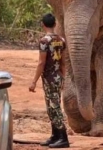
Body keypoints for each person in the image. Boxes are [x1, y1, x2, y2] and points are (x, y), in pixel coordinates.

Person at [29, 13, 69, 148]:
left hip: (49, 78)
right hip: (58, 77)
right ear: (55, 24)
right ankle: (55, 135)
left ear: (43, 24)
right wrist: (63, 78)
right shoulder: (61, 40)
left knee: (54, 107)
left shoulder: (44, 41)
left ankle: (63, 137)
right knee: (51, 106)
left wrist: (34, 81)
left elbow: (41, 63)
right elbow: (63, 62)